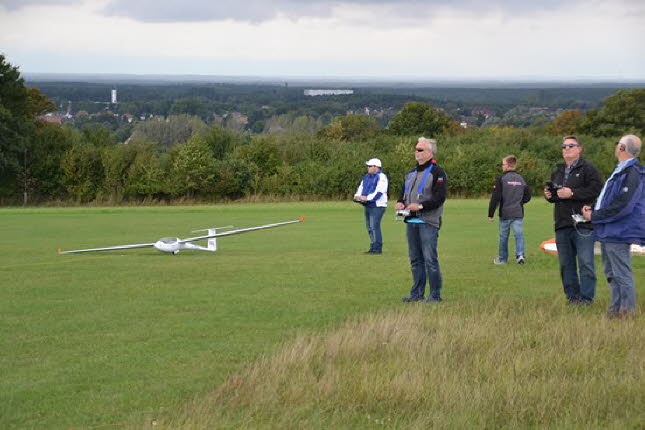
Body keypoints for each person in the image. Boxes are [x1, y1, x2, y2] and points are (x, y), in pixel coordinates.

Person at [583, 134, 644, 318]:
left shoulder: (631, 173)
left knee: (621, 272)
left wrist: (595, 215)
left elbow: (624, 205)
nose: (616, 146)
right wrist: (593, 210)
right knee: (611, 272)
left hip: (619, 231)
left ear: (622, 148)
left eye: (618, 144)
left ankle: (627, 312)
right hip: (608, 230)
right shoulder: (621, 170)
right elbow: (609, 199)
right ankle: (615, 310)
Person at [544, 135, 603, 305]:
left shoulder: (589, 169)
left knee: (585, 263)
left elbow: (597, 190)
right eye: (564, 146)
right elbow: (558, 194)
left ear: (579, 149)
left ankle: (586, 299)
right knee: (566, 265)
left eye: (571, 146)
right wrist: (550, 195)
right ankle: (573, 299)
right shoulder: (558, 170)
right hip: (562, 223)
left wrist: (573, 193)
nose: (566, 149)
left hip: (583, 224)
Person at [395, 137, 447, 303]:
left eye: (420, 150)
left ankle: (435, 295)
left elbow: (440, 197)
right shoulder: (411, 173)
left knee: (430, 260)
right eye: (416, 149)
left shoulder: (438, 173)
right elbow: (404, 194)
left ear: (430, 153)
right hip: (411, 222)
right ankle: (417, 294)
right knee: (415, 260)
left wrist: (421, 206)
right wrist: (400, 202)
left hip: (428, 222)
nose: (416, 152)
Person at [488, 155, 531, 265]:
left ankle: (502, 259)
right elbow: (528, 196)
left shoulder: (501, 179)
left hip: (505, 213)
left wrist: (491, 213)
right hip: (518, 212)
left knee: (503, 237)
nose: (502, 167)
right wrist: (520, 203)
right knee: (519, 235)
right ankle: (520, 255)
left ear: (508, 166)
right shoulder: (521, 178)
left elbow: (496, 197)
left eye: (503, 164)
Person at [353, 158, 388, 254]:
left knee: (374, 226)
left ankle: (377, 248)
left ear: (376, 167)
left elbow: (379, 192)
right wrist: (357, 195)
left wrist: (366, 198)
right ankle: (373, 246)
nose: (368, 168)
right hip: (368, 205)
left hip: (378, 205)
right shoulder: (367, 177)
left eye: (369, 166)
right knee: (369, 227)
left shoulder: (382, 177)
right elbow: (361, 187)